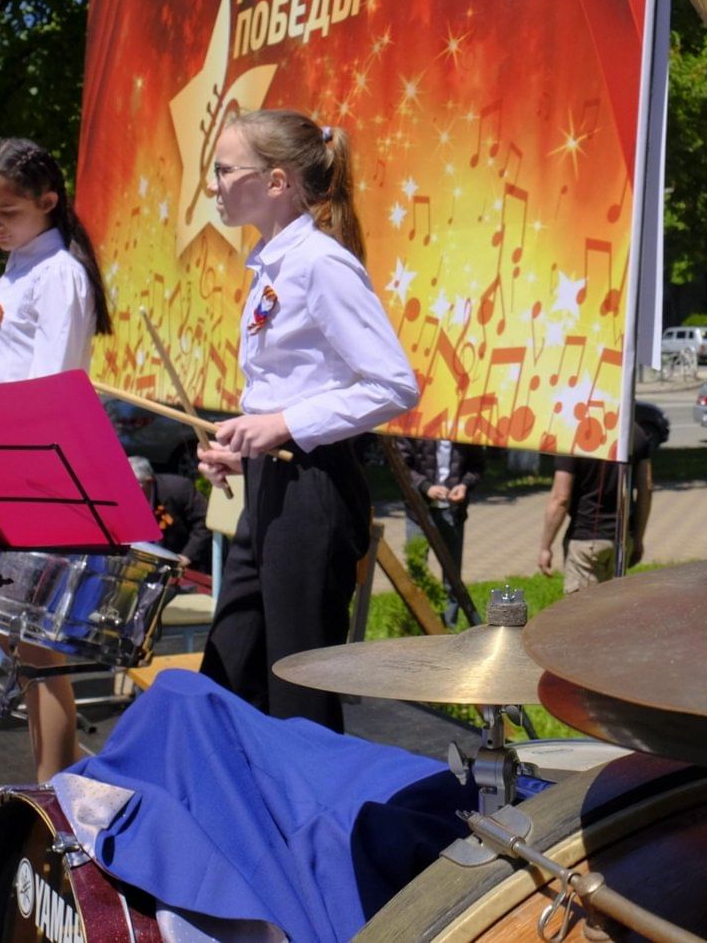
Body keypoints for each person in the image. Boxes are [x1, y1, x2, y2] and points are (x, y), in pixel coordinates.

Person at [196, 109, 419, 732]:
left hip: (312, 491)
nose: (213, 185)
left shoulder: (321, 263)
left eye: (223, 170)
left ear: (276, 182)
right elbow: (295, 382)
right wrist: (246, 448)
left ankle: (313, 823)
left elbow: (393, 384)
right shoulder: (273, 262)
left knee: (298, 689)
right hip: (270, 484)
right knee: (231, 667)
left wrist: (285, 424)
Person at [0, 137, 115, 781]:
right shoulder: (15, 269)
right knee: (12, 644)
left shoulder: (59, 274)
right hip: (1, 468)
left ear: (48, 203)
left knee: (36, 650)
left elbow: (50, 389)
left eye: (9, 212)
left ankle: (56, 798)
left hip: (38, 475)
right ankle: (68, 779)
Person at [537, 404, 666, 592]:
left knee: (583, 614)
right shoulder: (635, 433)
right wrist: (637, 539)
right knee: (611, 612)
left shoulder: (575, 435)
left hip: (586, 541)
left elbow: (560, 498)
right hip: (622, 539)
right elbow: (646, 489)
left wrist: (545, 547)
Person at [393, 437, 483, 622]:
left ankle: (449, 626)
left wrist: (464, 485)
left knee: (452, 575)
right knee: (417, 570)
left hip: (452, 510)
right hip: (418, 510)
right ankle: (420, 622)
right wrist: (426, 487)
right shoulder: (418, 427)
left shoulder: (466, 431)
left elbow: (477, 466)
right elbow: (401, 464)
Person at [130, 455, 214, 574]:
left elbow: (205, 522)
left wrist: (187, 556)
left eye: (133, 485)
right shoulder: (123, 499)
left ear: (149, 481)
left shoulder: (179, 489)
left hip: (189, 562)